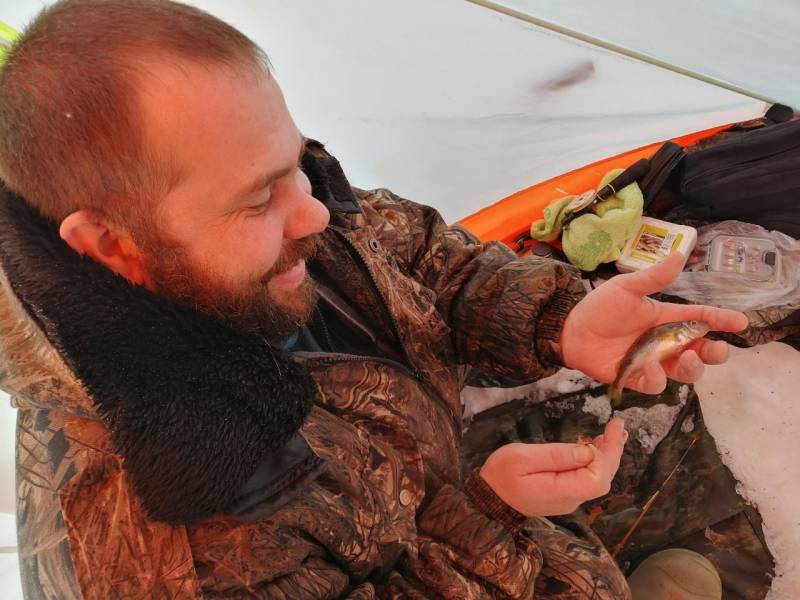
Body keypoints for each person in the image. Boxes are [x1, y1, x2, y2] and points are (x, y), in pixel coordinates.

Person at [0, 1, 746, 598]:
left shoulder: (274, 206)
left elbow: (427, 258)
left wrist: (561, 320)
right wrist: (485, 516)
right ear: (109, 246)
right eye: (258, 199)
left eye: (298, 164)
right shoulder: (153, 548)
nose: (316, 214)